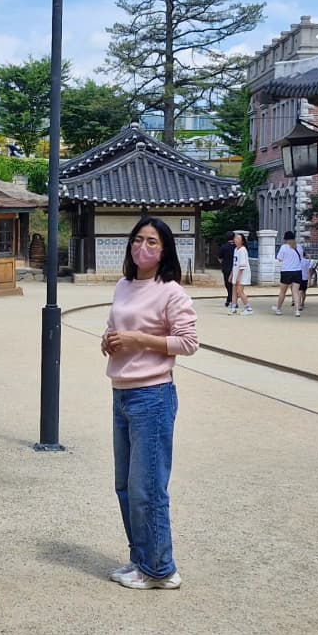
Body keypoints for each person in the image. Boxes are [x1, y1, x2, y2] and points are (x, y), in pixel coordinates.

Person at [100, 216, 199, 590]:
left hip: (153, 396)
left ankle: (161, 570)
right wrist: (109, 340)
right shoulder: (124, 285)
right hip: (121, 392)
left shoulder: (171, 292)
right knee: (125, 486)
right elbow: (116, 327)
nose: (143, 247)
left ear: (165, 250)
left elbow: (188, 342)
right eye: (138, 239)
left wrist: (139, 339)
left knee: (148, 487)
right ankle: (141, 558)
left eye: (152, 242)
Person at [274, 230, 303, 315]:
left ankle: (278, 309)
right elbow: (301, 257)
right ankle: (297, 310)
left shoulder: (284, 247)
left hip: (286, 271)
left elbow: (279, 258)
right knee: (295, 291)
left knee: (283, 292)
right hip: (297, 271)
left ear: (285, 239)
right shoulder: (299, 247)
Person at [230, 230, 252, 314]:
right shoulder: (236, 249)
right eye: (235, 238)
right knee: (234, 290)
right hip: (236, 272)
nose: (236, 240)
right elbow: (235, 264)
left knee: (239, 291)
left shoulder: (243, 250)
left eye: (238, 239)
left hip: (242, 274)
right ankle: (233, 307)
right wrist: (232, 275)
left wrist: (239, 277)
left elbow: (242, 265)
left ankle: (248, 308)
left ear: (242, 241)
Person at [216, 235, 235, 309]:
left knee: (228, 285)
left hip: (226, 268)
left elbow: (219, 257)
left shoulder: (224, 247)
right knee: (233, 285)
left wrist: (223, 263)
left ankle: (230, 299)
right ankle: (231, 299)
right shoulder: (236, 247)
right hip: (235, 268)